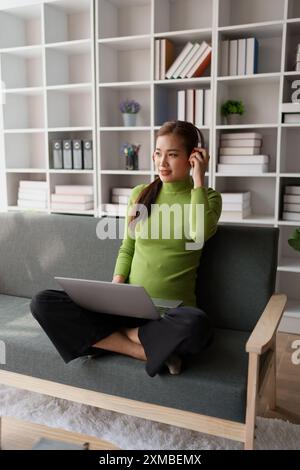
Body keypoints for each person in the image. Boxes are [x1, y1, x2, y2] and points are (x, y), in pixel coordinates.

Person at [30, 120, 222, 378]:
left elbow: (198, 233)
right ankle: (143, 351)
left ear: (192, 158)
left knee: (198, 327)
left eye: (173, 155)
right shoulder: (140, 194)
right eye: (158, 153)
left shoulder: (207, 198)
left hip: (171, 316)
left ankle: (116, 339)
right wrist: (115, 289)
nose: (162, 163)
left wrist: (199, 179)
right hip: (127, 309)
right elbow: (127, 248)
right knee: (43, 302)